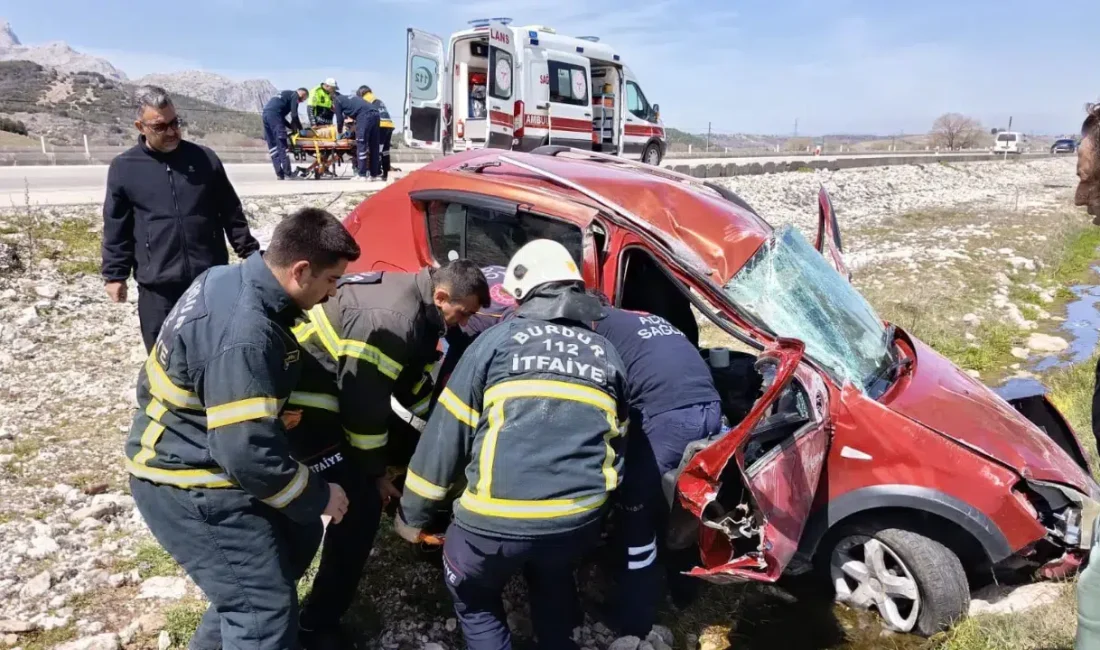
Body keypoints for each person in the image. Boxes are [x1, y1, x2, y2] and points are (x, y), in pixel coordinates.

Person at [124, 207, 362, 650]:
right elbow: (247, 454)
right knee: (262, 612)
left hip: (193, 451)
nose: (333, 294)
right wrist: (319, 494)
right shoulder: (247, 335)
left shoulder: (224, 279)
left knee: (276, 562)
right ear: (301, 270)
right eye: (331, 281)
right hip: (190, 480)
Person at [394, 239, 630, 650]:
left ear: (522, 294)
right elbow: (618, 441)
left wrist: (412, 516)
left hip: (492, 526)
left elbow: (445, 438)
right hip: (576, 523)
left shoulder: (495, 343)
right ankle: (557, 635)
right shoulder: (606, 352)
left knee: (475, 597)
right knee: (553, 576)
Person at [287, 260, 490, 649]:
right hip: (305, 403)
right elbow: (364, 408)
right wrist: (375, 473)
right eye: (462, 313)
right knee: (358, 506)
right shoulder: (394, 319)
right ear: (442, 296)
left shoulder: (421, 307)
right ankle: (315, 624)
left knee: (394, 462)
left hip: (336, 392)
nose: (464, 323)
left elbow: (408, 384)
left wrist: (442, 429)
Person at [589, 292, 723, 639]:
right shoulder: (638, 315)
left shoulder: (596, 330)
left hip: (670, 418)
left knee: (637, 509)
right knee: (681, 503)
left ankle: (636, 619)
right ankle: (685, 591)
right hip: (710, 409)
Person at [102, 85, 260, 353]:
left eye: (176, 123)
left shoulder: (204, 159)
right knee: (163, 355)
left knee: (213, 349)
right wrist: (114, 275)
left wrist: (250, 252)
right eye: (160, 126)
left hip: (209, 278)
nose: (172, 132)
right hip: (158, 285)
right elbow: (117, 226)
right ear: (140, 127)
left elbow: (230, 210)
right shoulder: (124, 168)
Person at [335, 87, 381, 181]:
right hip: (376, 114)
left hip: (364, 115)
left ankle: (362, 175)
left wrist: (339, 133)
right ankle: (374, 175)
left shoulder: (337, 100)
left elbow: (339, 120)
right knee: (374, 146)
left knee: (361, 145)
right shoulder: (351, 99)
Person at [263, 88, 308, 180]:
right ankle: (288, 173)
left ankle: (279, 174)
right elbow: (294, 115)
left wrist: (291, 127)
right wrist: (300, 129)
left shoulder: (285, 94)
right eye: (303, 100)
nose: (300, 102)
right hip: (275, 116)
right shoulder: (295, 95)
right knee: (282, 145)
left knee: (273, 147)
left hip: (265, 115)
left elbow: (280, 116)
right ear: (302, 95)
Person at [363, 87, 395, 181]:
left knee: (376, 150)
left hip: (381, 126)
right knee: (385, 151)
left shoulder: (366, 98)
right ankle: (386, 173)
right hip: (389, 125)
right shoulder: (377, 99)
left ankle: (375, 172)